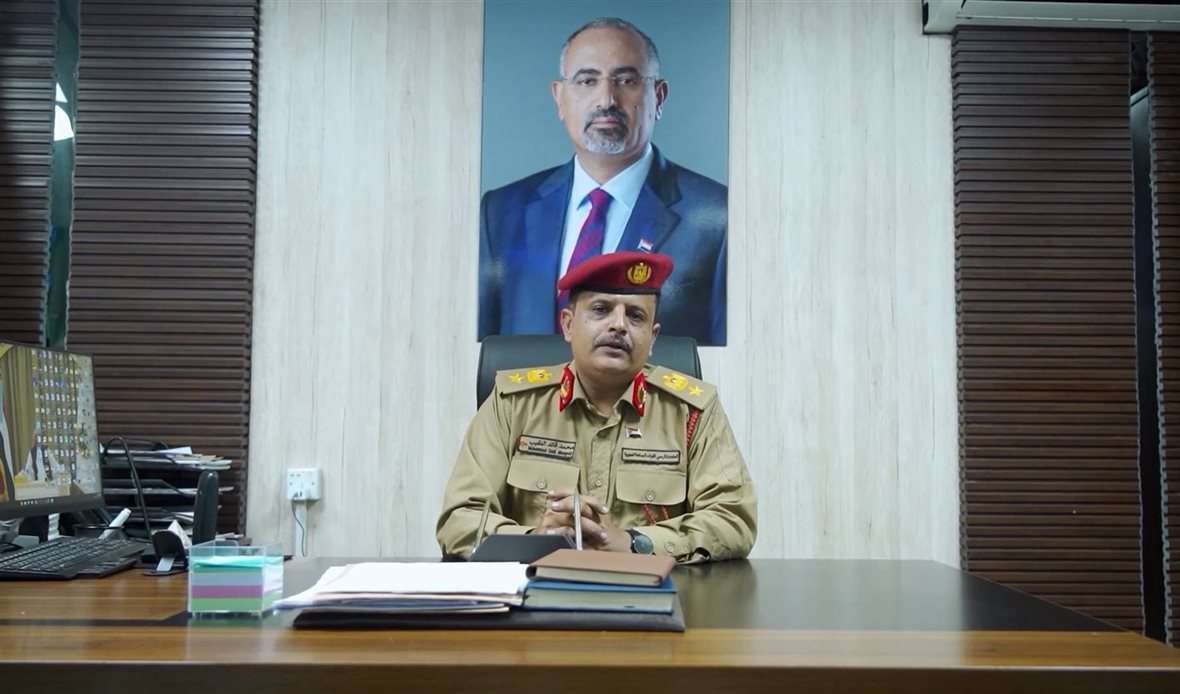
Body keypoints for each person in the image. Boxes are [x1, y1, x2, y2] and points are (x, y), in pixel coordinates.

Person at [439, 251, 755, 563]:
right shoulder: (513, 404)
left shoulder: (692, 412)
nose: (619, 325)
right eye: (601, 310)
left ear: (653, 337)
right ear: (568, 325)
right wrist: (537, 540)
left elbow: (732, 518)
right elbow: (460, 518)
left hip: (650, 590)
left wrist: (636, 542)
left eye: (636, 316)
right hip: (537, 587)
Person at [478, 16, 727, 346]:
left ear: (659, 96)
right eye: (586, 81)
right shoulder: (500, 212)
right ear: (559, 98)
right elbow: (481, 352)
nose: (606, 100)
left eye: (626, 80)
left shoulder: (719, 218)